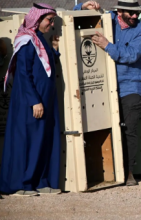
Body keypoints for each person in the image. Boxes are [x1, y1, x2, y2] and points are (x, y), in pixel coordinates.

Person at [74, 0, 141, 186]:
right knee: (103, 127)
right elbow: (72, 20)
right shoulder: (108, 19)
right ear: (120, 11)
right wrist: (82, 7)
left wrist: (108, 45)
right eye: (130, 13)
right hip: (104, 85)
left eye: (136, 13)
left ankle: (129, 172)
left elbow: (132, 55)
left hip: (131, 86)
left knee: (129, 129)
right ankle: (110, 171)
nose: (135, 16)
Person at [0, 3, 61, 197]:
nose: (51, 24)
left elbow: (45, 66)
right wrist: (34, 100)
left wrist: (55, 51)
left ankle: (40, 181)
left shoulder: (40, 40)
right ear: (37, 19)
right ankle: (22, 184)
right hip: (30, 102)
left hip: (46, 100)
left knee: (42, 141)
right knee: (27, 141)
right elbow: (24, 75)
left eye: (53, 21)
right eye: (49, 20)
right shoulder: (27, 41)